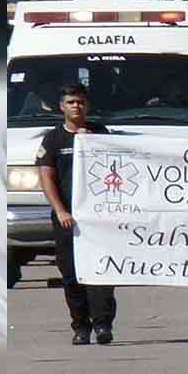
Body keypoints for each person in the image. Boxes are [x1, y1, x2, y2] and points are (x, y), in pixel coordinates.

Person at [36, 84, 117, 346]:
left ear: (87, 106)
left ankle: (103, 324)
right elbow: (46, 176)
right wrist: (60, 210)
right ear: (62, 107)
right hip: (68, 217)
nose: (76, 106)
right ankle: (81, 326)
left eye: (81, 102)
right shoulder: (53, 139)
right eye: (71, 102)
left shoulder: (100, 132)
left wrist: (91, 141)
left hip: (99, 217)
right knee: (71, 274)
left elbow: (116, 166)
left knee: (101, 272)